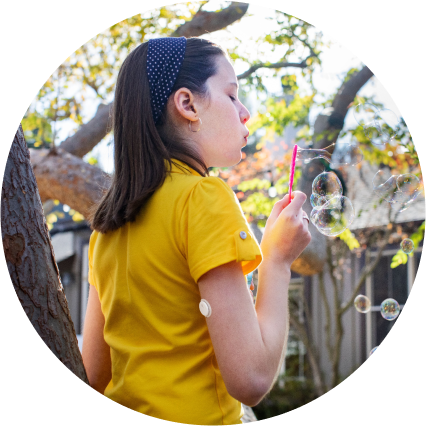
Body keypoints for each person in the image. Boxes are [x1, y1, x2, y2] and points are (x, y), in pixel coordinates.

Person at [82, 36, 311, 425]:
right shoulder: (204, 197)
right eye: (232, 95)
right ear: (187, 104)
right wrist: (277, 260)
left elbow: (95, 375)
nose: (245, 113)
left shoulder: (106, 227)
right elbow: (250, 378)